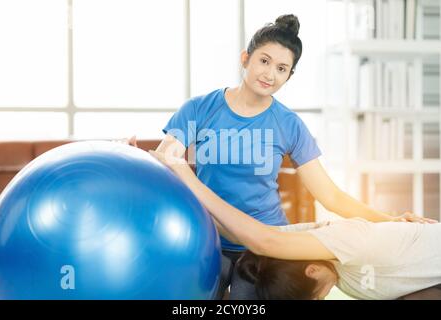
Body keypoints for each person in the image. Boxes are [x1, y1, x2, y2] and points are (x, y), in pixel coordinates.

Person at [133, 14, 434, 299]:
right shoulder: (200, 108)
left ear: (289, 75)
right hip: (208, 239)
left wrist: (390, 219)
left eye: (281, 68)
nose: (270, 74)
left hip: (268, 246)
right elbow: (169, 157)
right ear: (245, 58)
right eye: (264, 61)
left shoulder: (289, 124)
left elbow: (330, 196)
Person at [149, 150, 441, 300]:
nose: (323, 297)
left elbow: (263, 241)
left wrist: (184, 174)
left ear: (312, 270)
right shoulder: (316, 246)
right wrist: (167, 185)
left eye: (316, 297)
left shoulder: (349, 240)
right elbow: (238, 230)